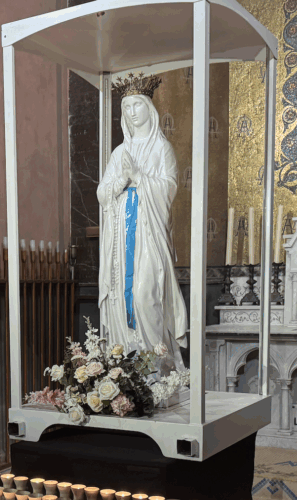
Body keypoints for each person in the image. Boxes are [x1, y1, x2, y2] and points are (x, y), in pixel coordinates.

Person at [97, 74, 188, 370]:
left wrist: (139, 179)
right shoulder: (119, 152)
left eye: (136, 105)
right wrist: (121, 180)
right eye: (126, 107)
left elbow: (170, 187)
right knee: (122, 298)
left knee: (144, 295)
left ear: (149, 107)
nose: (131, 112)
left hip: (149, 232)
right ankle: (128, 363)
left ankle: (159, 365)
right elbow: (102, 193)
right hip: (121, 235)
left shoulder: (161, 149)